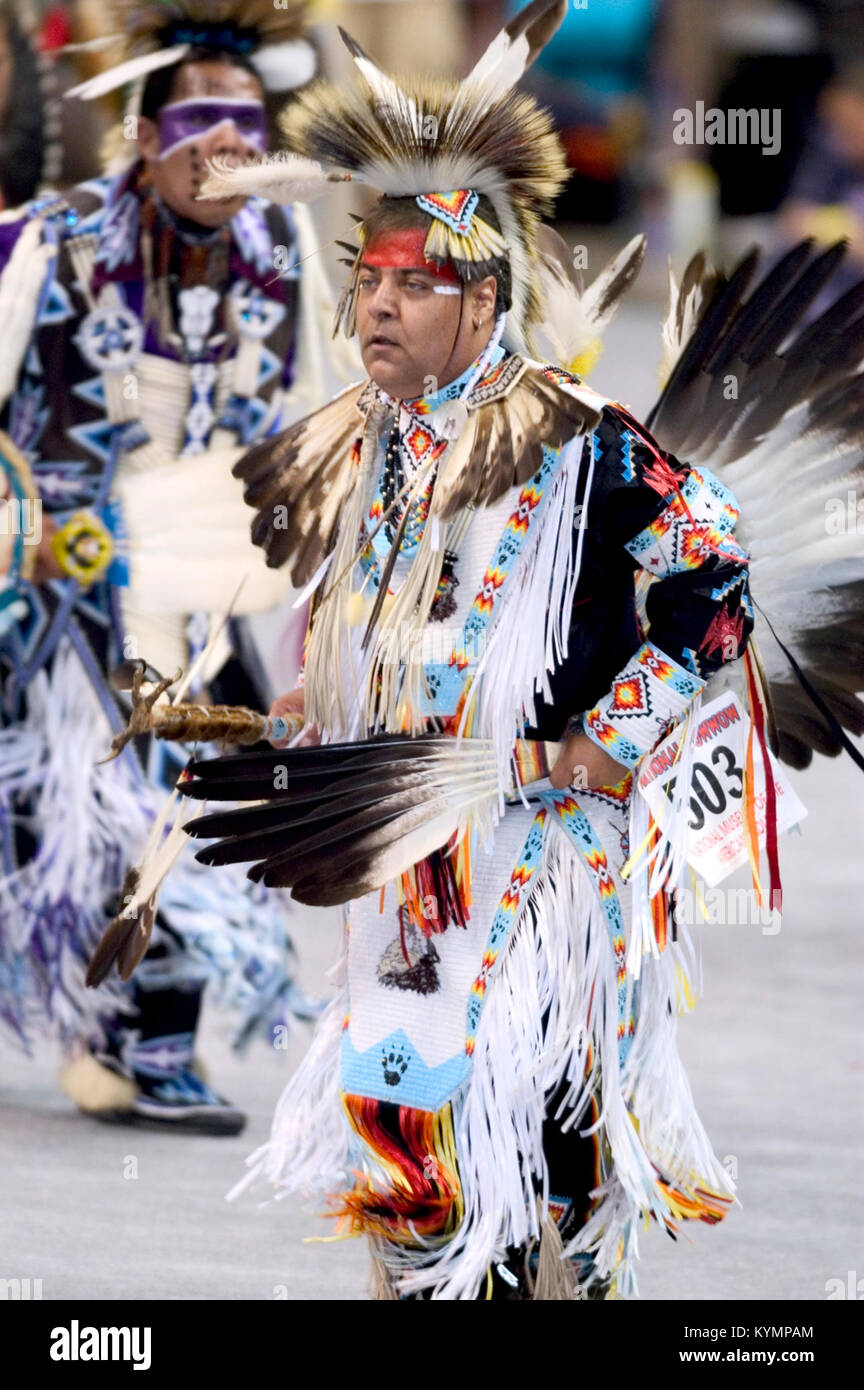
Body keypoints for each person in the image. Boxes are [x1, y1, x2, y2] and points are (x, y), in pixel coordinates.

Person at [143, 0, 864, 1294]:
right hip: (417, 846)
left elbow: (714, 573)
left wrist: (610, 737)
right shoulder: (377, 432)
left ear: (481, 296)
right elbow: (362, 594)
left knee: (551, 1154)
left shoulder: (584, 438)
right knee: (416, 1157)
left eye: (411, 284)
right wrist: (326, 693)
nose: (376, 305)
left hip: (552, 860)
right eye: (366, 277)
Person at [0, 0, 355, 1135]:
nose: (228, 149)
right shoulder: (48, 242)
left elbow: (314, 409)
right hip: (52, 594)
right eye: (201, 122)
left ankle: (144, 1047)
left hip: (206, 592)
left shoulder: (278, 252)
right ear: (146, 138)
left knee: (195, 810)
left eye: (249, 127)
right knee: (43, 812)